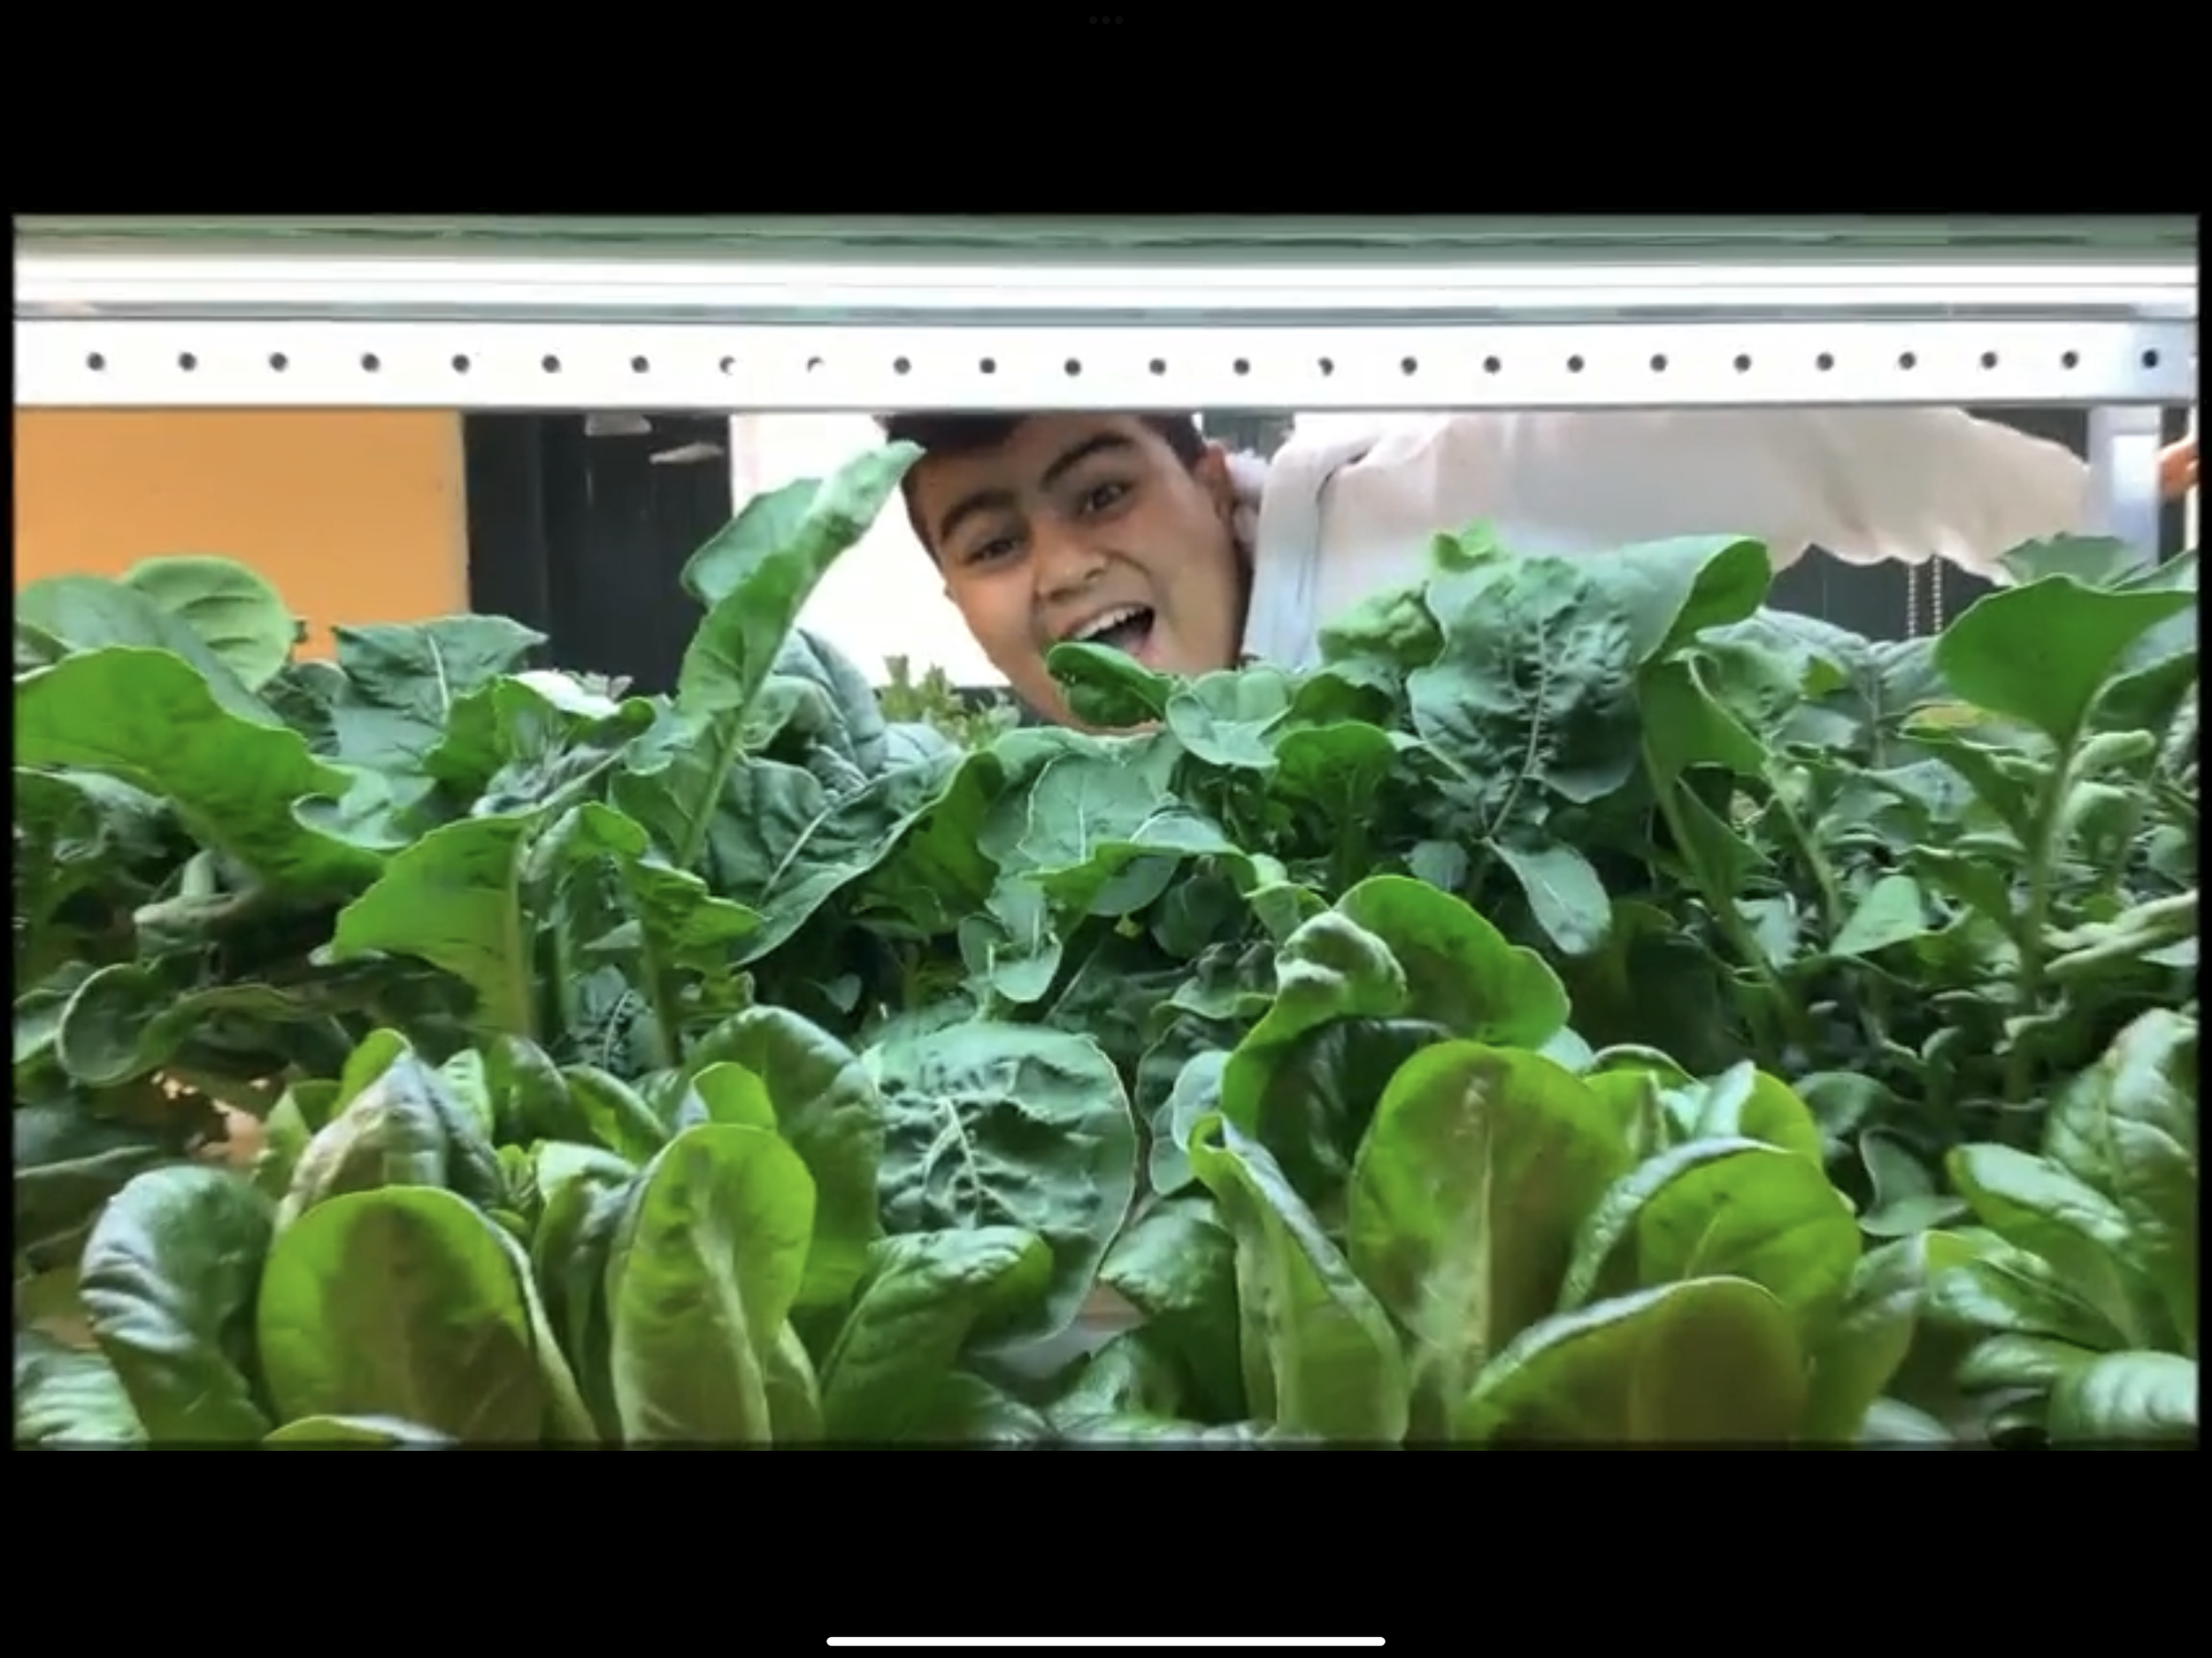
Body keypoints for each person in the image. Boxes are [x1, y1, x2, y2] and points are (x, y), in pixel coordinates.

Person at [877, 408, 2199, 731]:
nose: (1060, 565)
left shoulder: (1441, 525)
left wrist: (2102, 523)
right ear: (957, 602)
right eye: (993, 543)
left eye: (1102, 491)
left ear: (1214, 485)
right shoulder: (1044, 812)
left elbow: (1798, 426)